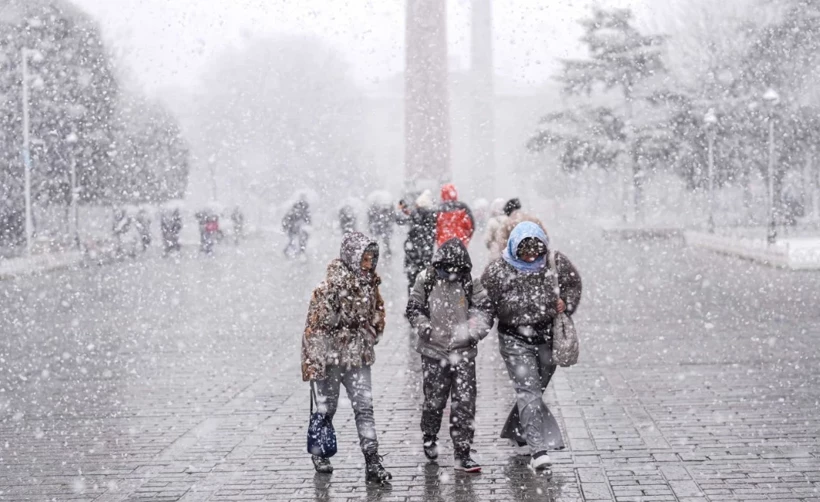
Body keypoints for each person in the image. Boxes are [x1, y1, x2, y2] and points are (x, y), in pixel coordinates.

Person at [481, 222, 582, 472]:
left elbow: (573, 284)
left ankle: (518, 430)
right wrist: (476, 330)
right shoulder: (498, 269)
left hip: (546, 338)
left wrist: (565, 304)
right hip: (514, 339)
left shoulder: (553, 262)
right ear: (515, 247)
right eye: (525, 250)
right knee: (529, 392)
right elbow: (484, 302)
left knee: (536, 392)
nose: (530, 256)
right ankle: (538, 451)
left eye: (535, 250)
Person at [301, 232, 392, 483]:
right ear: (352, 257)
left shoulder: (370, 285)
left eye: (371, 259)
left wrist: (372, 332)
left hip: (358, 356)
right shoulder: (328, 288)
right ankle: (320, 452)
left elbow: (378, 314)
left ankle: (372, 460)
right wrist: (314, 363)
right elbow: (316, 326)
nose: (368, 264)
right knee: (326, 407)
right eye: (364, 258)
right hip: (331, 358)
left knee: (365, 408)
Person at [406, 238, 491, 473]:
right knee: (434, 401)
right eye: (447, 269)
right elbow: (413, 308)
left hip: (463, 353)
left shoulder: (470, 282)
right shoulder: (426, 278)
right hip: (434, 352)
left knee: (464, 403)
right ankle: (430, 434)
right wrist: (424, 327)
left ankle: (462, 453)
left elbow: (484, 309)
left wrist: (473, 332)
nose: (451, 274)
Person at [397, 190, 437, 295]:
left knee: (412, 281)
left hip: (413, 255)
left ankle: (413, 303)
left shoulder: (415, 214)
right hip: (426, 255)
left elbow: (400, 219)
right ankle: (424, 303)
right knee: (426, 281)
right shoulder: (434, 216)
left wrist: (402, 207)